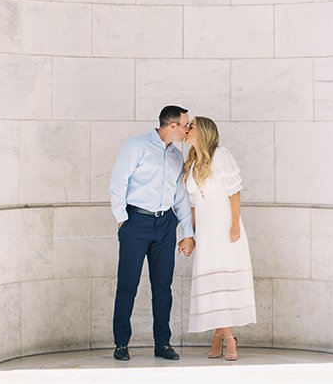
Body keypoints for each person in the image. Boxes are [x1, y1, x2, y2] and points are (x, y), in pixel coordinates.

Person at [108, 105, 196, 360]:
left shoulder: (176, 156)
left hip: (165, 224)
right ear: (172, 126)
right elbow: (117, 183)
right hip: (136, 222)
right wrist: (123, 220)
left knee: (163, 286)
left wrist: (187, 232)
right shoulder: (135, 146)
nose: (187, 129)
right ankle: (121, 343)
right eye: (185, 124)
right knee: (128, 285)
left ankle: (163, 343)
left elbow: (180, 197)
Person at [182, 115, 257, 358]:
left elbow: (234, 193)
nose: (186, 129)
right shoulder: (192, 162)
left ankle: (227, 338)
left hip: (224, 228)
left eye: (191, 126)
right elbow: (192, 203)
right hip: (205, 231)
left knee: (222, 282)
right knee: (213, 282)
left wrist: (235, 224)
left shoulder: (220, 155)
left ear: (202, 131)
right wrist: (191, 234)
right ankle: (220, 336)